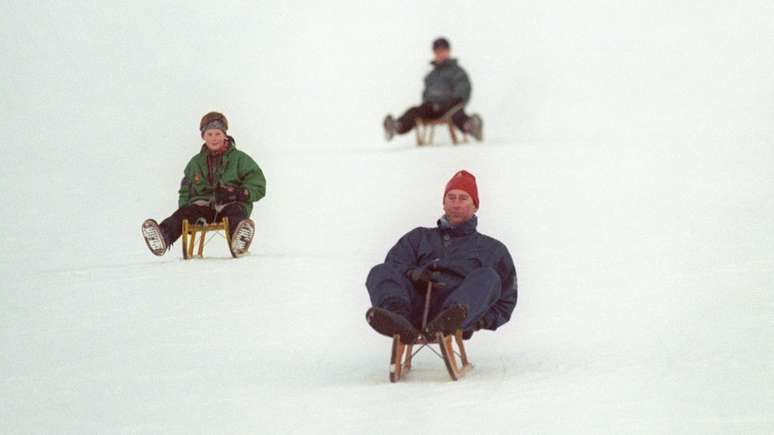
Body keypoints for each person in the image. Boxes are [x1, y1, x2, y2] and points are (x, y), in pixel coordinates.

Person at [365, 170, 516, 343]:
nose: (456, 204)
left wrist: (478, 322)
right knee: (380, 271)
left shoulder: (492, 249)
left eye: (463, 198)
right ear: (444, 203)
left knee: (488, 277)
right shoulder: (418, 237)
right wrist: (413, 273)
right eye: (451, 198)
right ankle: (397, 320)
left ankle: (448, 320)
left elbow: (506, 300)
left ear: (475, 206)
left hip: (456, 317)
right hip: (413, 309)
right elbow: (393, 268)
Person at [141, 112, 266, 257]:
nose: (214, 138)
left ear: (225, 135)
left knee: (235, 213)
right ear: (203, 136)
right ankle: (163, 235)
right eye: (210, 134)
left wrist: (240, 192)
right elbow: (185, 190)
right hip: (203, 207)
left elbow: (257, 182)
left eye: (218, 133)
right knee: (185, 213)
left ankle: (240, 240)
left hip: (230, 202)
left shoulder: (240, 159)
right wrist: (184, 210)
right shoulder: (195, 163)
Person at [383, 37, 483, 142]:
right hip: (431, 107)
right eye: (437, 51)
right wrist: (429, 100)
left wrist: (456, 99)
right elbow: (425, 93)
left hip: (449, 105)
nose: (440, 54)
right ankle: (397, 126)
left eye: (443, 51)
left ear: (448, 51)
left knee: (455, 112)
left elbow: (463, 88)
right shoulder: (431, 75)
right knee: (414, 111)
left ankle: (470, 125)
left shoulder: (457, 72)